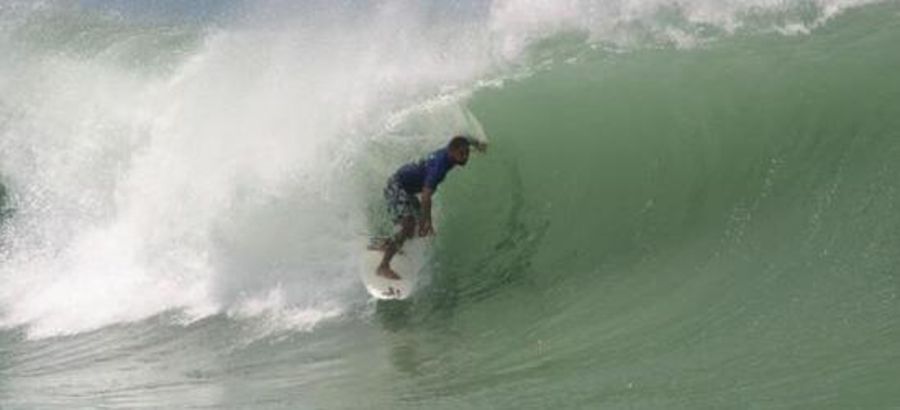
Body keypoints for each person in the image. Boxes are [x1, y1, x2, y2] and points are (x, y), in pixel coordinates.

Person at [374, 135, 487, 280]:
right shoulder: (439, 166)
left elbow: (462, 140)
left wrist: (477, 143)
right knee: (409, 225)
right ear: (452, 152)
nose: (465, 157)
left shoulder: (452, 150)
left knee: (412, 231)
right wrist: (426, 220)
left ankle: (388, 245)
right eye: (461, 154)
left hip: (407, 189)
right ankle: (383, 267)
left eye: (467, 152)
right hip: (397, 186)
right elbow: (426, 195)